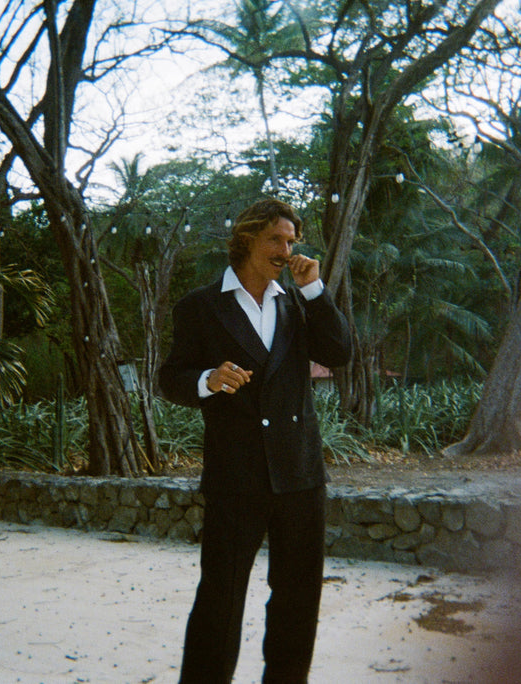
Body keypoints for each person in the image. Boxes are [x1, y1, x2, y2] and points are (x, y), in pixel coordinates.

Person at [158, 198, 352, 683]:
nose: (286, 251)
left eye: (291, 241)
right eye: (276, 239)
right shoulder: (199, 307)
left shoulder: (297, 304)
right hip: (236, 477)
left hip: (300, 477)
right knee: (220, 601)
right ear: (247, 238)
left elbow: (340, 353)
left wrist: (314, 291)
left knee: (296, 600)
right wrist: (208, 379)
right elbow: (170, 378)